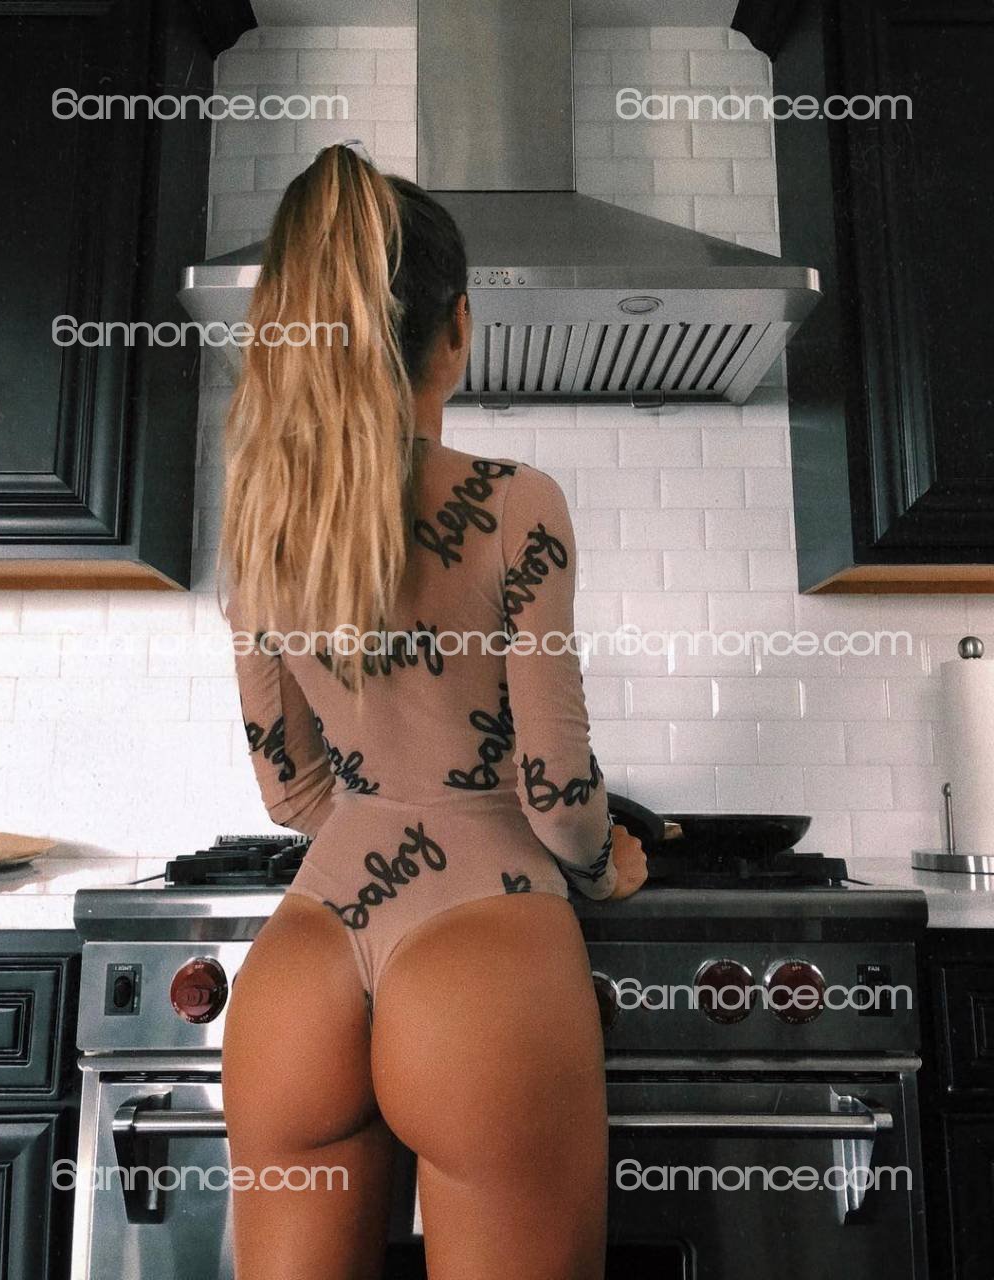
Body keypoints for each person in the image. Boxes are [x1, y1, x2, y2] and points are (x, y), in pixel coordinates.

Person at [218, 143, 649, 1280]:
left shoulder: (260, 526)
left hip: (301, 966)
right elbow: (556, 795)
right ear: (456, 330)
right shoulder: (515, 505)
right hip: (484, 966)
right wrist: (606, 865)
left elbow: (291, 791)